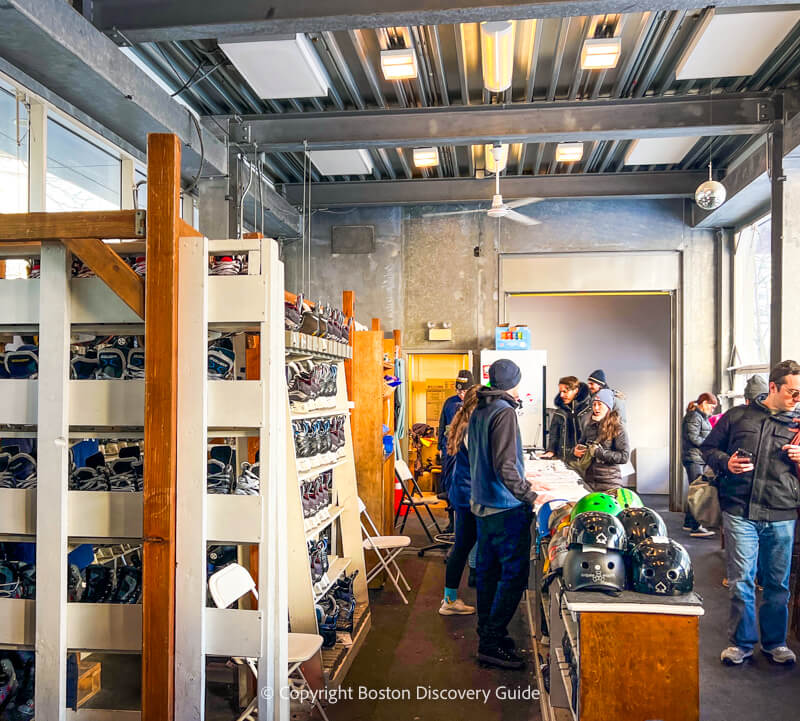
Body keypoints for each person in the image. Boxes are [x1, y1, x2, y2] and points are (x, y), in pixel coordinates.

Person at [701, 359, 800, 666]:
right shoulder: (738, 416)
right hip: (740, 510)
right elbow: (708, 449)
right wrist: (725, 462)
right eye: (793, 393)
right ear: (773, 387)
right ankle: (741, 643)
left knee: (777, 584)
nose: (798, 400)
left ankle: (775, 643)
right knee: (741, 580)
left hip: (782, 511)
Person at [468, 359, 537, 670]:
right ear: (513, 383)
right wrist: (529, 495)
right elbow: (506, 466)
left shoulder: (480, 409)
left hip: (482, 505)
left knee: (488, 574)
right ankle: (493, 640)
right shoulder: (505, 412)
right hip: (505, 507)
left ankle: (489, 636)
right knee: (513, 576)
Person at [439, 385, 481, 616]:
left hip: (462, 492)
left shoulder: (462, 422)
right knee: (464, 545)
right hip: (468, 494)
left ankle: (450, 598)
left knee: (462, 545)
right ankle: (449, 600)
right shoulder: (471, 428)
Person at [437, 370, 474, 530]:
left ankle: (464, 523)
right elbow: (441, 424)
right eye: (459, 390)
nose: (461, 394)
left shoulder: (476, 404)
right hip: (449, 450)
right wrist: (440, 446)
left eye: (464, 391)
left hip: (467, 452)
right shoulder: (449, 402)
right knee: (448, 484)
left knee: (464, 485)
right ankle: (451, 522)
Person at [574, 388, 629, 493]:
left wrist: (598, 452)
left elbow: (624, 456)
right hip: (589, 482)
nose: (596, 408)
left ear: (608, 407)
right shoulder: (589, 426)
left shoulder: (618, 429)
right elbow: (581, 444)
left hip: (609, 483)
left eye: (600, 404)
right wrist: (576, 451)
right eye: (594, 404)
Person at [680, 393, 717, 538]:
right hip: (694, 458)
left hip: (697, 458)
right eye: (711, 406)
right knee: (698, 492)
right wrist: (710, 444)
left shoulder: (700, 417)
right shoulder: (694, 417)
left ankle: (689, 523)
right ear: (703, 403)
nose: (712, 410)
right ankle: (696, 527)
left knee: (694, 490)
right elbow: (693, 437)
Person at [542, 376, 592, 461]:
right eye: (560, 392)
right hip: (564, 459)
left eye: (565, 392)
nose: (561, 395)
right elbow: (554, 435)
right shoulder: (559, 412)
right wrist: (551, 450)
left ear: (575, 390)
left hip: (584, 461)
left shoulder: (589, 410)